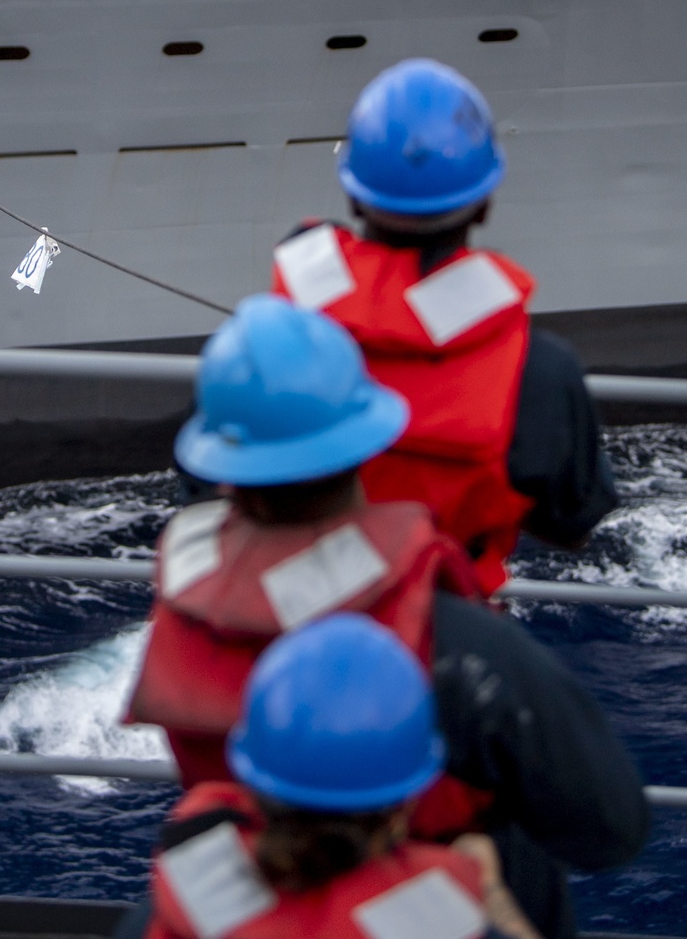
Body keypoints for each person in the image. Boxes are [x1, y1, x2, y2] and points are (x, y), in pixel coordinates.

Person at [126, 294, 648, 939]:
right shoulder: (459, 644)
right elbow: (608, 830)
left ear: (216, 468)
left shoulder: (184, 608)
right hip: (437, 880)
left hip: (254, 871)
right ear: (367, 444)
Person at [271, 58, 618, 596]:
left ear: (354, 194)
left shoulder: (287, 315)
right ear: (483, 205)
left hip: (289, 607)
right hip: (439, 622)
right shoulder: (540, 369)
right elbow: (570, 526)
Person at [132, 614, 543, 939]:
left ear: (254, 780)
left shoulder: (182, 892)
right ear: (408, 798)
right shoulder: (446, 918)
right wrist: (489, 891)